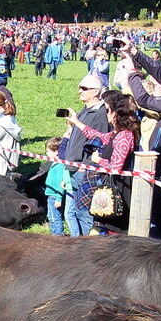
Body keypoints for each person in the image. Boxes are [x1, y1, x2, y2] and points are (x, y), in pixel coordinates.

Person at [64, 92, 141, 233]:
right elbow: (97, 135)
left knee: (114, 232)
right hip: (112, 188)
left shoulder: (125, 136)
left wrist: (98, 160)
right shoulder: (117, 133)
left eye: (107, 110)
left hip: (119, 190)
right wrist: (76, 122)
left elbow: (116, 167)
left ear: (115, 113)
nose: (106, 114)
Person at [57, 75, 109, 236]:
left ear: (96, 92)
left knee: (86, 214)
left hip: (85, 170)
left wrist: (84, 166)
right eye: (80, 87)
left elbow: (98, 142)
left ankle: (89, 250)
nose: (80, 90)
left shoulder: (100, 113)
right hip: (73, 169)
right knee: (75, 213)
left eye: (84, 88)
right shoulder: (84, 111)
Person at [44, 137, 71, 236]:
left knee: (56, 217)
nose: (46, 153)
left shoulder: (60, 166)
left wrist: (59, 199)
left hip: (55, 196)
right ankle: (53, 234)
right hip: (50, 194)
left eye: (48, 151)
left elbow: (61, 184)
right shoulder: (54, 163)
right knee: (51, 216)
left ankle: (58, 235)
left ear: (56, 152)